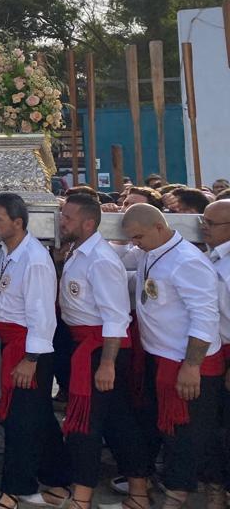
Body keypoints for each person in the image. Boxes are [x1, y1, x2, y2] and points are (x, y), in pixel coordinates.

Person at [0, 193, 70, 509]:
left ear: (18, 222)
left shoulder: (34, 259)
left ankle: (13, 491)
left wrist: (31, 359)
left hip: (28, 348)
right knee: (37, 417)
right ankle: (58, 480)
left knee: (22, 421)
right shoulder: (8, 253)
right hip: (12, 343)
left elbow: (42, 315)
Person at [122, 203, 224, 509]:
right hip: (161, 359)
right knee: (170, 431)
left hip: (190, 363)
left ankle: (194, 492)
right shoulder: (148, 252)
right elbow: (122, 257)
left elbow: (205, 317)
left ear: (158, 227)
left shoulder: (187, 262)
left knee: (193, 433)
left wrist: (192, 366)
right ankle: (186, 487)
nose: (135, 243)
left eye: (139, 236)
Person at [54, 193, 149, 509]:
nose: (61, 221)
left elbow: (116, 316)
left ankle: (82, 499)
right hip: (83, 345)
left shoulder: (101, 259)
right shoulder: (77, 253)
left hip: (100, 349)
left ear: (88, 222)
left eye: (67, 217)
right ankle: (138, 494)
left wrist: (107, 363)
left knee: (86, 425)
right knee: (118, 421)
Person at [202, 200, 230, 505]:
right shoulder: (211, 257)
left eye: (211, 224)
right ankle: (215, 485)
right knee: (212, 425)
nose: (204, 228)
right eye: (204, 222)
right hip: (215, 348)